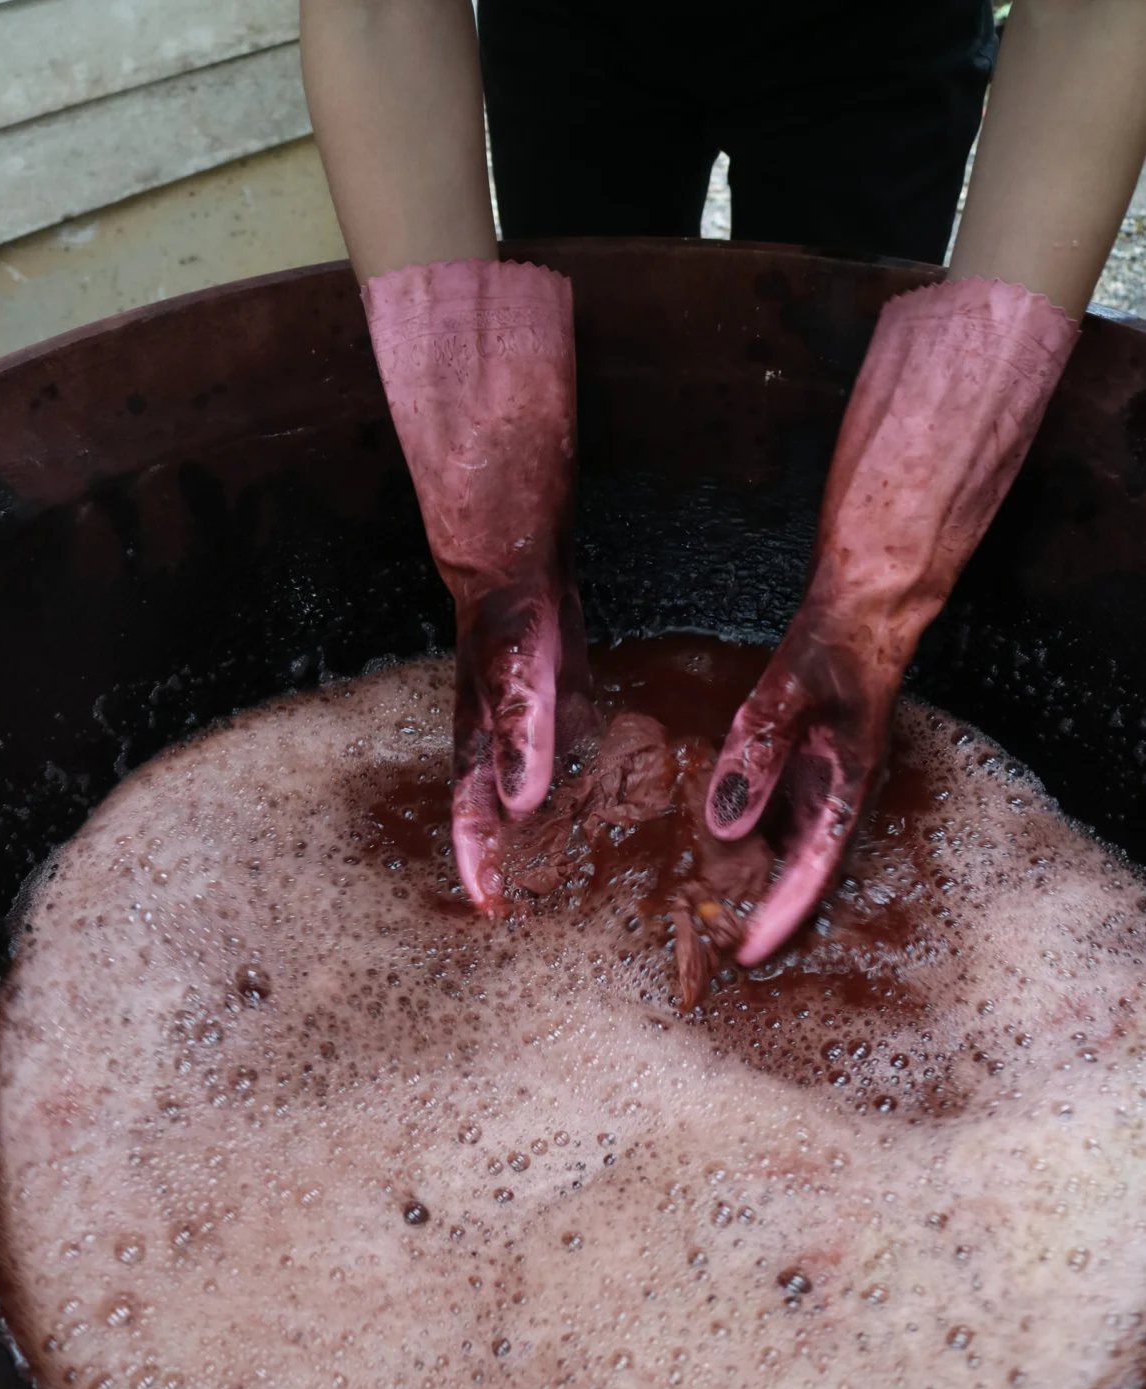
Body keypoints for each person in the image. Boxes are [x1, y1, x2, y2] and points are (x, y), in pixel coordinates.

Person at [299, 0, 1146, 968]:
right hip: (567, 29)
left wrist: (886, 584)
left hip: (879, 36)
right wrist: (490, 539)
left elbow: (1095, 16)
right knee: (584, 408)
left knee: (833, 386)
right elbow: (378, 13)